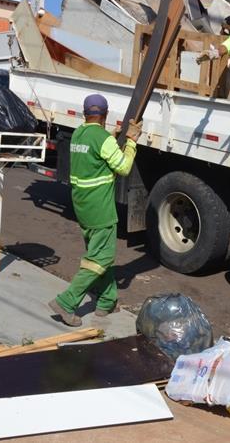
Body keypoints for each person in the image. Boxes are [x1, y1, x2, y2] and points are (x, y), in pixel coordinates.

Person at [48, 94, 142, 327]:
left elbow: (95, 149)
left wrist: (113, 137)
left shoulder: (79, 133)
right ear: (106, 115)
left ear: (84, 114)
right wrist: (131, 141)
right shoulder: (103, 139)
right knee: (101, 257)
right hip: (100, 208)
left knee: (99, 254)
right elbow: (124, 167)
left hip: (82, 206)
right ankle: (67, 302)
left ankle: (106, 301)